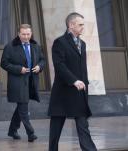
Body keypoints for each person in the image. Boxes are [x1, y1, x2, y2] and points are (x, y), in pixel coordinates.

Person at [48, 12, 97, 151]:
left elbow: (83, 68)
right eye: (80, 24)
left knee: (83, 126)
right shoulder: (60, 43)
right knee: (56, 129)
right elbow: (59, 65)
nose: (83, 27)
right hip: (63, 93)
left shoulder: (83, 44)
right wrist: (74, 80)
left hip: (78, 92)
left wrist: (85, 83)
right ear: (71, 25)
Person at [1, 24, 45, 142]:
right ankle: (31, 133)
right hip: (18, 82)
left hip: (31, 81)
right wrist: (18, 69)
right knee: (23, 107)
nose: (26, 37)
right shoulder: (10, 47)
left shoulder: (35, 46)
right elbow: (4, 63)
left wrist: (39, 67)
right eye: (23, 34)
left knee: (21, 107)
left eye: (28, 34)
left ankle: (12, 130)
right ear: (18, 34)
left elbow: (42, 60)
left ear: (31, 34)